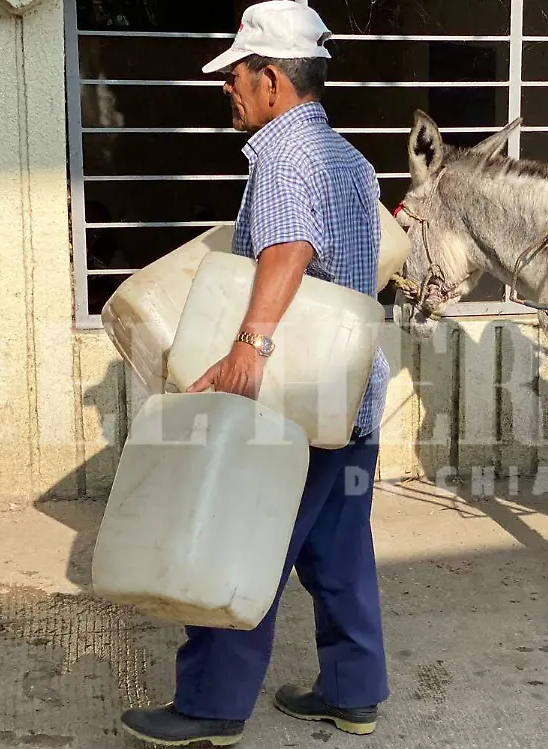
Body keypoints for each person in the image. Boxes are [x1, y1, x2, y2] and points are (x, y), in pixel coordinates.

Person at [119, 2, 390, 745]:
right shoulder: (349, 158)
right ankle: (353, 690)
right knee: (338, 550)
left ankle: (210, 705)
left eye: (235, 76)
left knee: (239, 535)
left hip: (293, 404)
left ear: (272, 79)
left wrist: (251, 346)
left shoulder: (283, 155)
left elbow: (289, 251)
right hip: (351, 397)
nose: (228, 91)